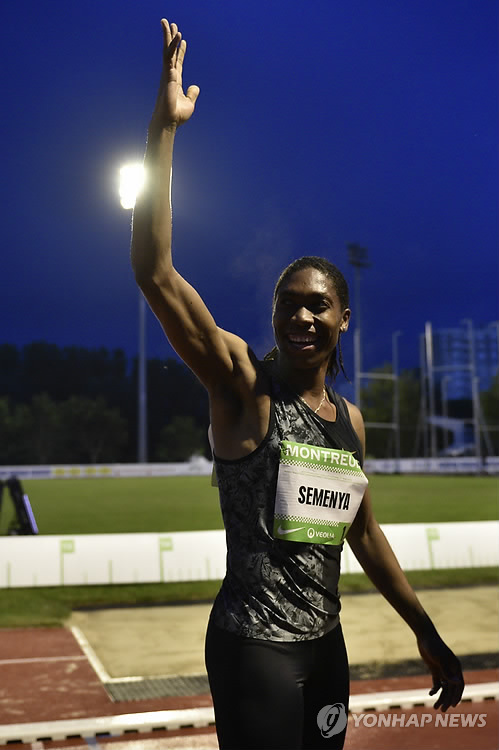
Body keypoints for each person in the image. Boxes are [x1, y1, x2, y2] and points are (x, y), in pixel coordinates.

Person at [131, 19, 464, 750]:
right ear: (274, 317)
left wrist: (425, 629)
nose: (302, 315)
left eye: (318, 303)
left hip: (326, 652)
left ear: (344, 318)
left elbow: (364, 536)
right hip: (253, 649)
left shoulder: (350, 419)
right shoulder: (241, 383)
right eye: (289, 303)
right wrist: (164, 128)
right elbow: (155, 274)